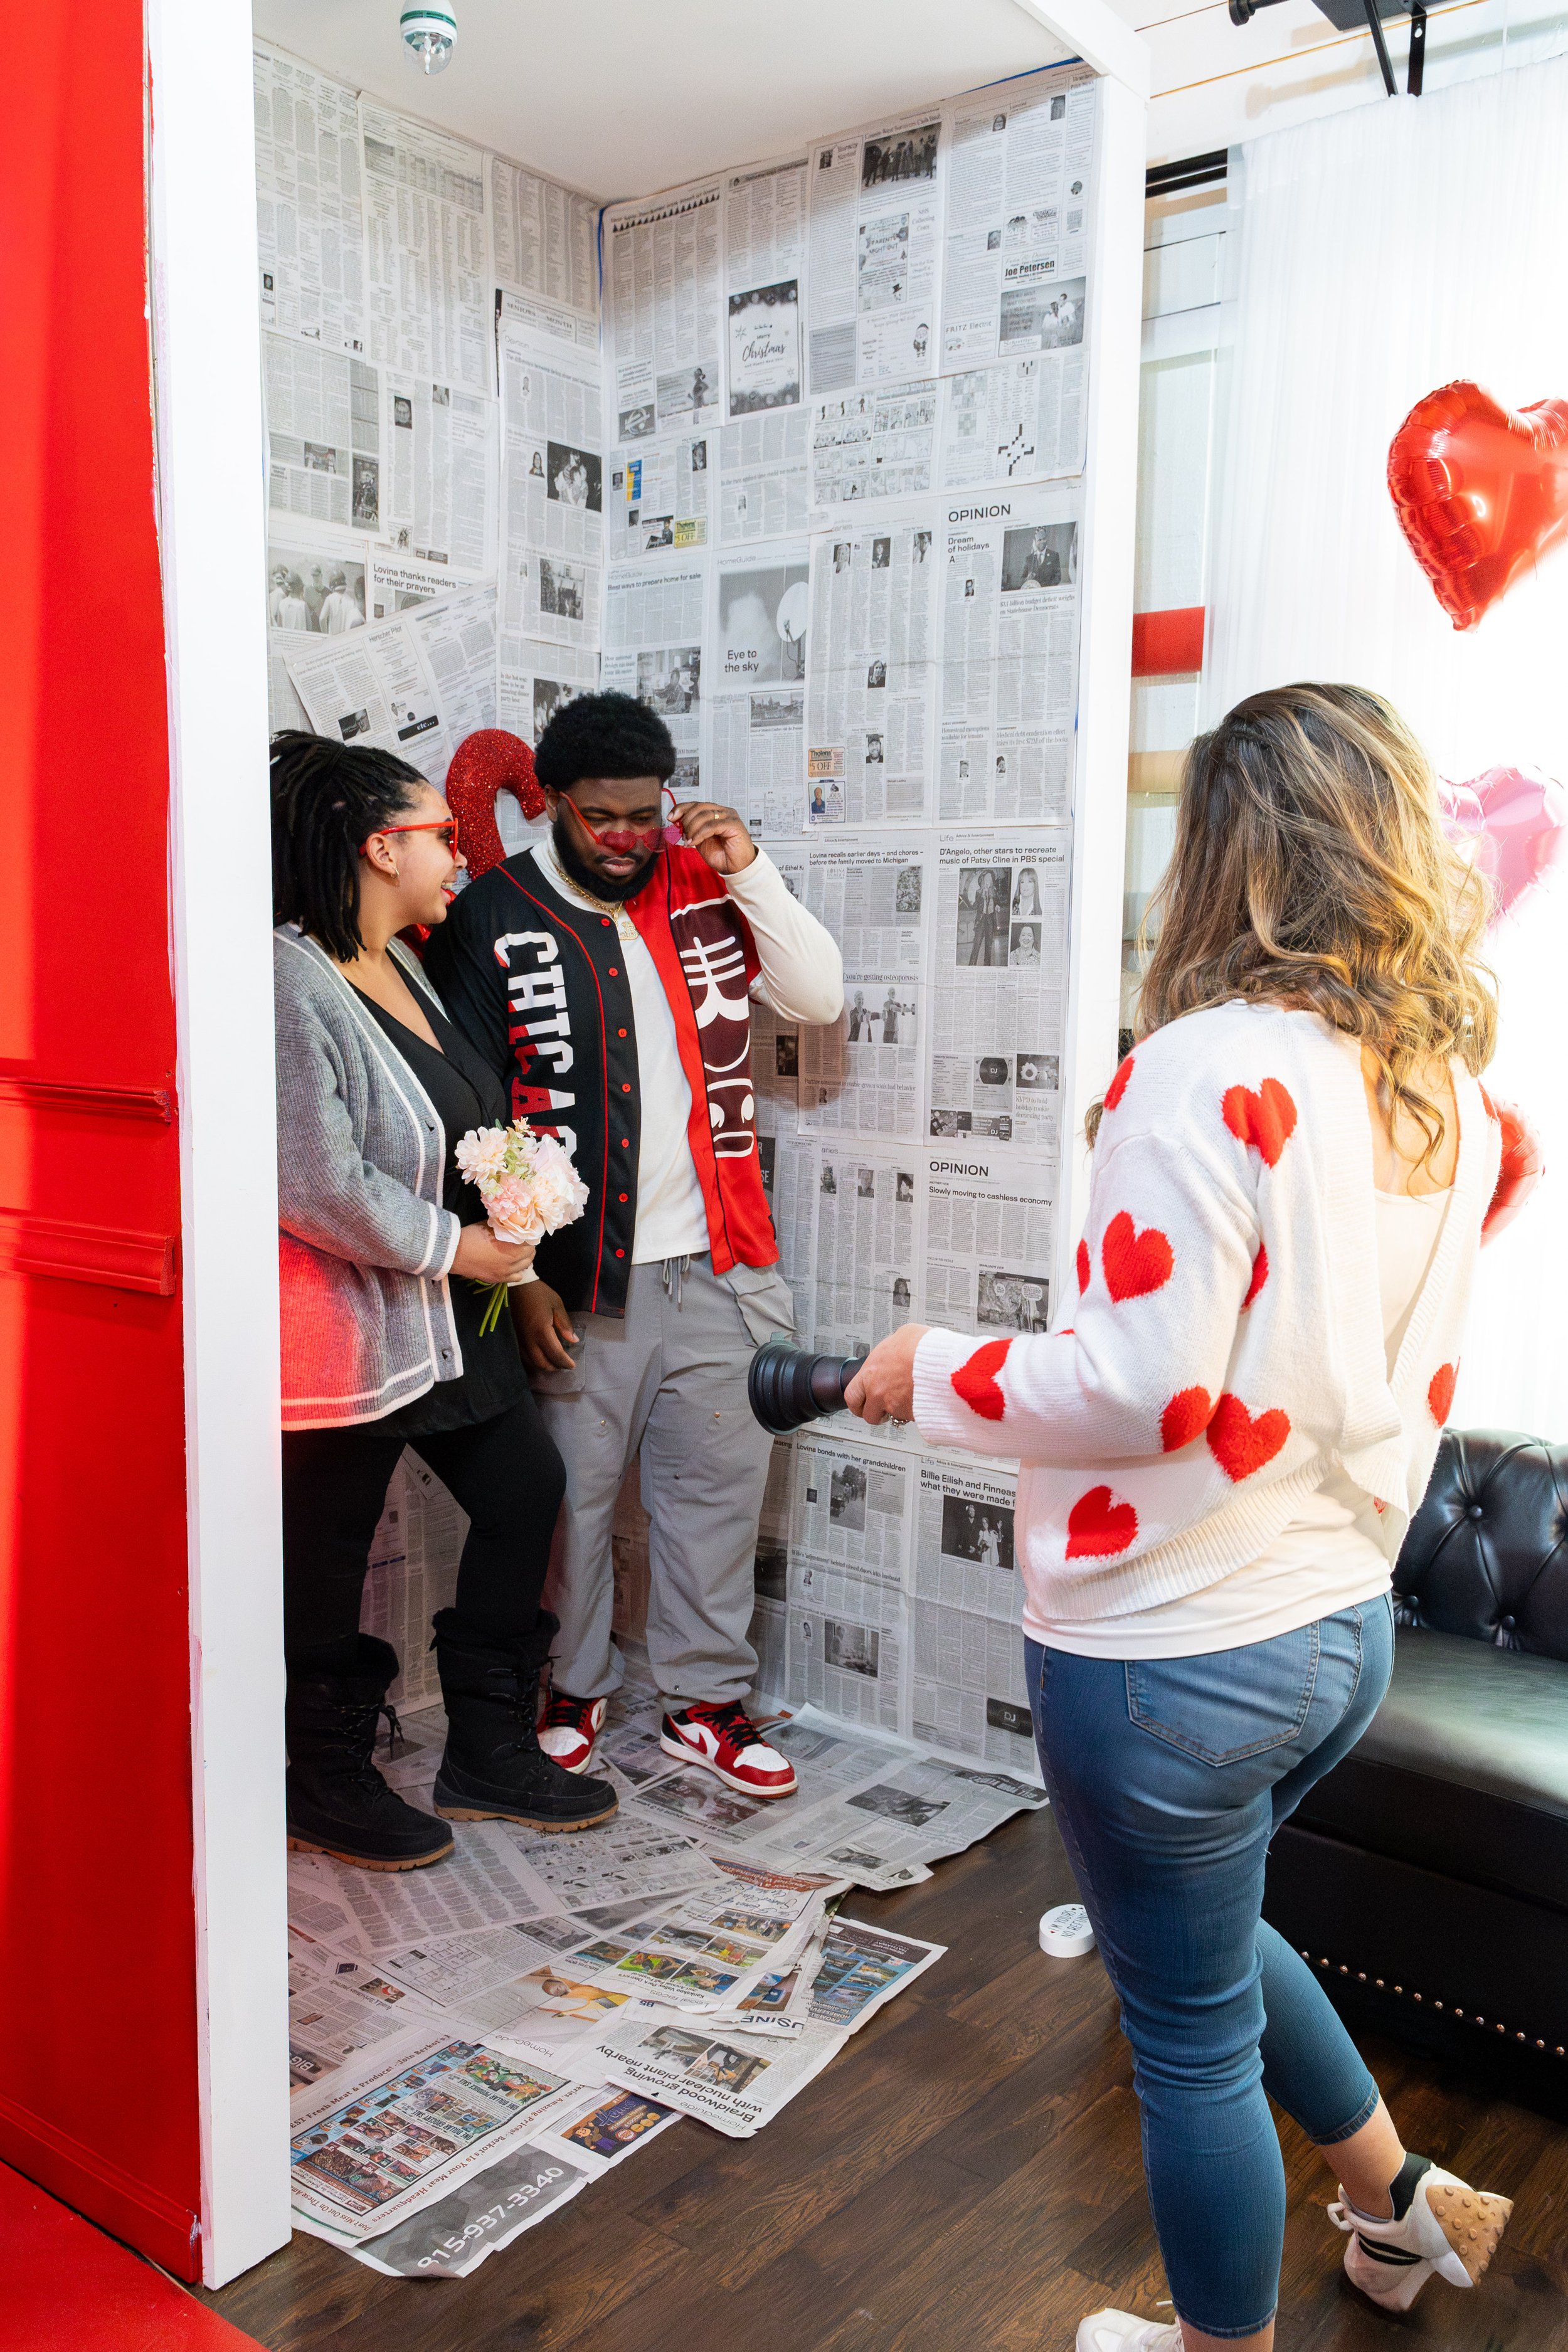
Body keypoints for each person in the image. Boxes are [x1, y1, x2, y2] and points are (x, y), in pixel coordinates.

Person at [844, 685, 1532, 2350]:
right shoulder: (1433, 1081)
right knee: (1211, 1951)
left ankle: (1219, 2342)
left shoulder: (1201, 1066)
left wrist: (921, 1364)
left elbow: (1138, 1389)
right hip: (1338, 1626)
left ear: (1224, 852)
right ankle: (1396, 2201)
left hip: (1171, 1651)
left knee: (1186, 2025)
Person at [425, 692, 844, 1798]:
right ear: (554, 804)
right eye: (600, 816)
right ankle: (573, 1685)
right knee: (570, 1499)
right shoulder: (496, 914)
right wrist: (516, 1280)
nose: (624, 838)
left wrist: (748, 866)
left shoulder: (700, 883)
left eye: (642, 815)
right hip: (575, 1272)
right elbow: (477, 1111)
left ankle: (704, 1702)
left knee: (715, 1490)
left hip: (722, 1258)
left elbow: (815, 994)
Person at [272, 732, 617, 1870]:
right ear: (382, 848)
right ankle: (320, 1780)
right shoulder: (288, 976)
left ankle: (485, 1752)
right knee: (324, 1556)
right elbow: (315, 1178)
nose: (459, 852)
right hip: (353, 1332)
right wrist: (457, 1252)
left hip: (452, 1316)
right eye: (439, 834)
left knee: (526, 1489)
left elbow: (465, 1132)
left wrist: (510, 1274)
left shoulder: (404, 961)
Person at [317, 568, 361, 634]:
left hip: (332, 639)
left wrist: (325, 635)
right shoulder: (351, 601)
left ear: (332, 585)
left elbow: (322, 619)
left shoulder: (330, 599)